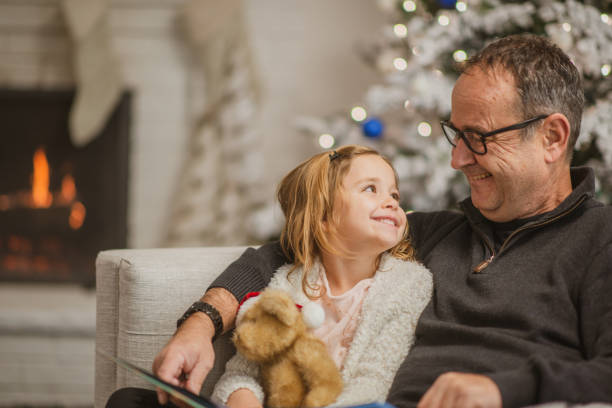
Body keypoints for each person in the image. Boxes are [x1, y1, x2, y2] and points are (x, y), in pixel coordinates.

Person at [121, 34, 612, 408]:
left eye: (479, 138)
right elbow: (284, 251)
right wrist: (199, 326)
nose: (457, 160)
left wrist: (503, 389)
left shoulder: (599, 241)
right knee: (135, 401)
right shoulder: (434, 233)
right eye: (455, 136)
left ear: (551, 137)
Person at [211, 145, 432, 408]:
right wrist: (244, 401)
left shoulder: (408, 285)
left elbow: (374, 383)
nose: (392, 202)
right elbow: (240, 375)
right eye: (370, 189)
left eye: (394, 193)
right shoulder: (287, 284)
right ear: (323, 215)